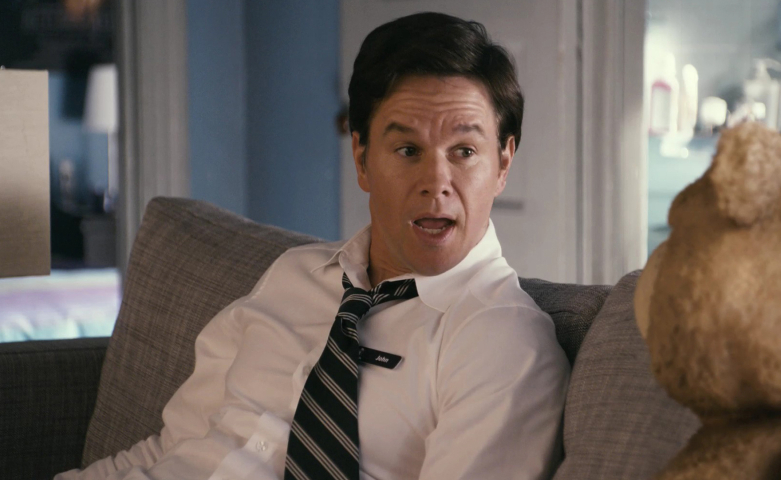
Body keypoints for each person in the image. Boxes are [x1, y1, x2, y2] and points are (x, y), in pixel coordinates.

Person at [57, 12, 569, 480]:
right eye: (408, 149)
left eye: (464, 151)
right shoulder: (293, 275)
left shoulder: (502, 344)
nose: (436, 183)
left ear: (503, 163)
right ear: (362, 159)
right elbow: (170, 447)